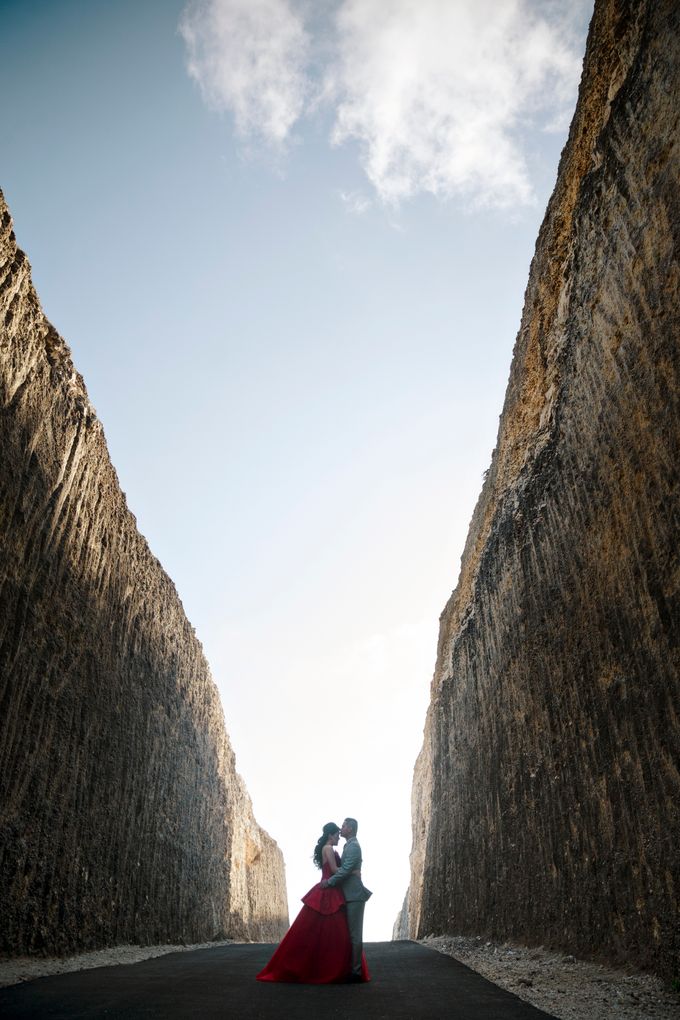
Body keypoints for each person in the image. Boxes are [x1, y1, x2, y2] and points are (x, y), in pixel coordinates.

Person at [256, 822, 370, 984]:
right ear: (331, 835)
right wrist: (354, 871)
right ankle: (339, 969)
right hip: (329, 889)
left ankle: (338, 969)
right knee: (334, 933)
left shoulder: (338, 847)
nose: (339, 835)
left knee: (320, 932)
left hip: (333, 890)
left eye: (342, 830)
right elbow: (337, 870)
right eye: (337, 833)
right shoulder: (329, 849)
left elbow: (338, 869)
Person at [321, 817, 372, 982]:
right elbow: (346, 869)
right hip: (347, 895)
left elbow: (344, 871)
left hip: (354, 896)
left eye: (343, 826)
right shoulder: (348, 846)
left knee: (355, 935)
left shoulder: (354, 847)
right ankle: (350, 969)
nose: (340, 828)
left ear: (349, 829)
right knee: (349, 934)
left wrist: (329, 882)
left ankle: (356, 973)